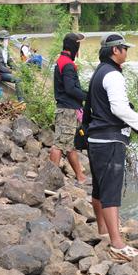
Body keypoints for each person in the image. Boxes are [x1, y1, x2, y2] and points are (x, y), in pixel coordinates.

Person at [85, 33, 138, 262]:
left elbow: (97, 107)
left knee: (99, 189)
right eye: (125, 48)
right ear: (116, 51)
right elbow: (118, 108)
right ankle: (117, 245)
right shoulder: (113, 75)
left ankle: (103, 232)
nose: (127, 51)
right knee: (111, 193)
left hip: (96, 140)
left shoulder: (98, 72)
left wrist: (136, 128)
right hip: (110, 141)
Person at [51, 32, 88, 184]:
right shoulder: (67, 64)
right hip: (67, 109)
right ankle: (49, 179)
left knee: (69, 144)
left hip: (68, 109)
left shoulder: (63, 61)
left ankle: (80, 176)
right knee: (59, 145)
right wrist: (89, 96)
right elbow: (70, 89)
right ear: (74, 47)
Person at [0, 29, 24, 101]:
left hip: (2, 71)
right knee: (18, 80)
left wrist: (18, 69)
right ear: (2, 40)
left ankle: (22, 96)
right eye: (7, 40)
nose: (8, 42)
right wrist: (11, 71)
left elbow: (9, 61)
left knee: (21, 78)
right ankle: (21, 100)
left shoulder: (4, 49)